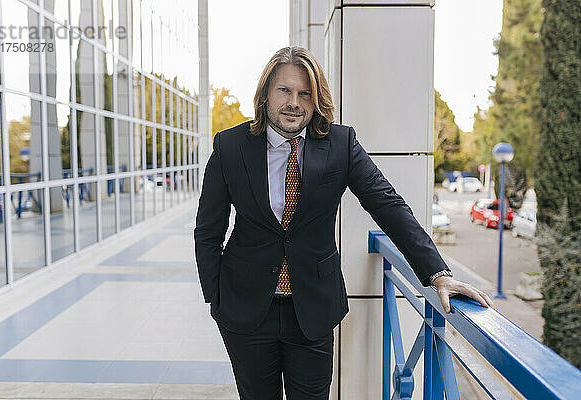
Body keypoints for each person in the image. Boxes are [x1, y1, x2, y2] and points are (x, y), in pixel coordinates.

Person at [194, 46, 493, 400]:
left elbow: (388, 206)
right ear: (265, 94)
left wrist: (438, 274)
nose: (294, 102)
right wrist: (216, 298)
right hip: (245, 311)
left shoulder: (340, 144)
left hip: (312, 311)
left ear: (317, 98)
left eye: (305, 93)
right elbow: (208, 230)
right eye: (285, 91)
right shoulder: (231, 146)